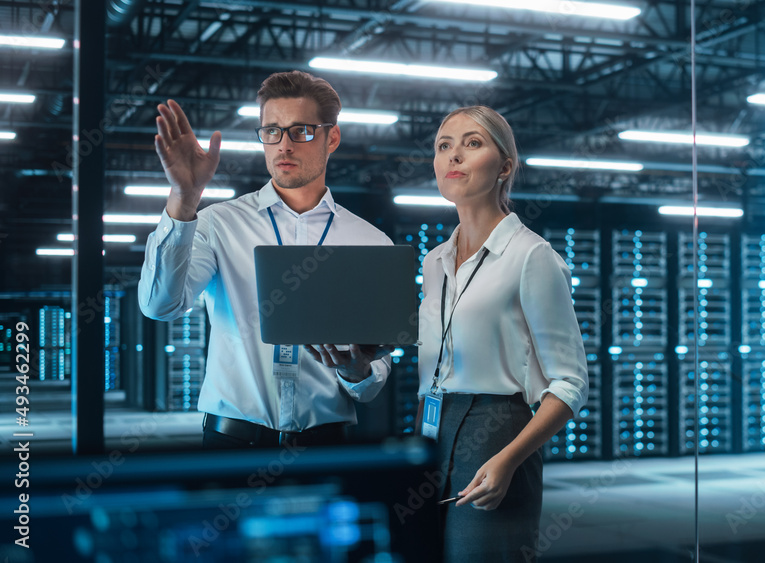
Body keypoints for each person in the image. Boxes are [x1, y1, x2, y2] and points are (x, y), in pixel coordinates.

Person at [138, 70, 392, 448]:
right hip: (232, 447)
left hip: (324, 450)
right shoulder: (216, 224)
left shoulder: (372, 243)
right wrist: (183, 198)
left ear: (332, 138)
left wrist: (358, 372)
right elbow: (160, 306)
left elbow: (372, 381)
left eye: (301, 130)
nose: (283, 145)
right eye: (271, 131)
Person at [417, 106, 589, 561]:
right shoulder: (433, 261)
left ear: (505, 166)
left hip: (499, 431)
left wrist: (510, 458)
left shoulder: (532, 256)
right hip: (431, 428)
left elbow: (571, 383)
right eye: (444, 146)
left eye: (472, 143)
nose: (454, 156)